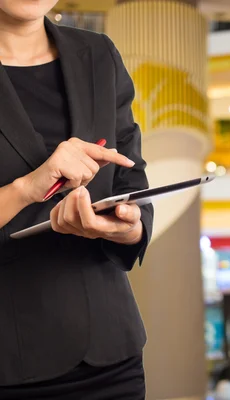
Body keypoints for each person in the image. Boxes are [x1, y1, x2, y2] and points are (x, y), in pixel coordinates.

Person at [0, 1, 153, 398]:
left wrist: (126, 225)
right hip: (11, 361)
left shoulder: (98, 54)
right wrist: (27, 188)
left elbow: (130, 176)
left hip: (110, 352)